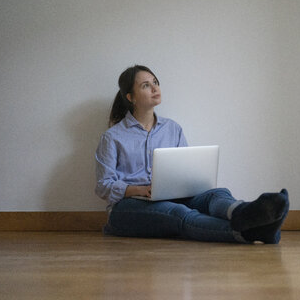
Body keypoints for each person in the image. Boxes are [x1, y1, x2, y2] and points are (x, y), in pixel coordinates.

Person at [95, 65, 289, 244]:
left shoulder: (173, 129)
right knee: (178, 213)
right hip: (127, 209)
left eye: (156, 82)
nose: (155, 88)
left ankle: (243, 213)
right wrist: (141, 190)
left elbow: (184, 171)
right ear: (131, 97)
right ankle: (251, 232)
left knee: (216, 194)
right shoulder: (112, 137)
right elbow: (103, 186)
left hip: (169, 197)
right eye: (146, 85)